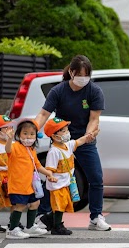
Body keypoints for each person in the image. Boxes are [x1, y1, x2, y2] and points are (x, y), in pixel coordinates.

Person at [33, 55, 110, 231]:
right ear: (71, 72)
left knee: (96, 178)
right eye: (80, 75)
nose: (84, 79)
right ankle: (42, 215)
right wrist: (31, 131)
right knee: (53, 179)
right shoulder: (58, 91)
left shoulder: (94, 91)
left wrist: (88, 135)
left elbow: (94, 118)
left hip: (84, 140)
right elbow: (44, 114)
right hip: (61, 140)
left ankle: (96, 216)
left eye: (87, 76)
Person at [43, 117, 98, 236]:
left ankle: (49, 219)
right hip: (56, 184)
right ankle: (57, 226)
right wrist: (50, 176)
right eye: (63, 131)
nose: (67, 133)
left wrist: (90, 135)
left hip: (66, 182)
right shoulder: (54, 151)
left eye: (67, 130)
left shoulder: (68, 145)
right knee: (59, 205)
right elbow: (49, 168)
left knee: (64, 204)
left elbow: (79, 141)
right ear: (54, 136)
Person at [4, 119, 56, 239]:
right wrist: (9, 139)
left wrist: (49, 173)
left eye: (32, 134)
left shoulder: (31, 150)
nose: (28, 136)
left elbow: (37, 165)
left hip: (29, 185)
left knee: (35, 203)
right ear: (19, 134)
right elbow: (7, 150)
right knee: (20, 205)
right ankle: (12, 229)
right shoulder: (15, 146)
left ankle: (30, 226)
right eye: (25, 133)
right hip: (18, 184)